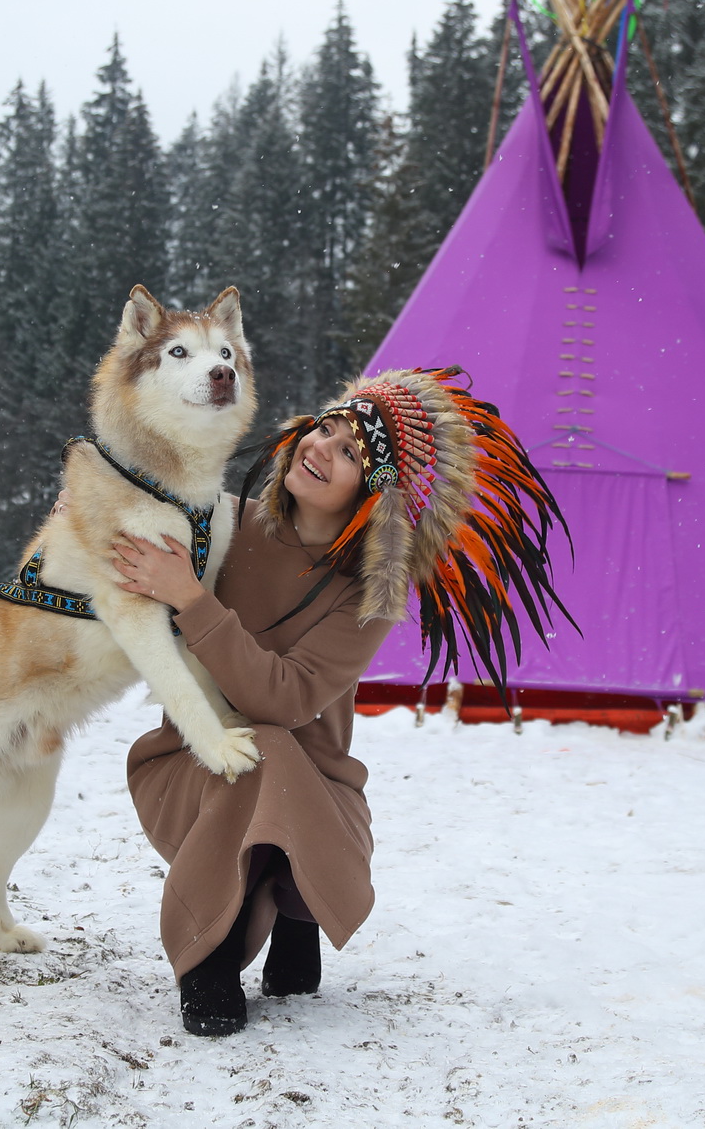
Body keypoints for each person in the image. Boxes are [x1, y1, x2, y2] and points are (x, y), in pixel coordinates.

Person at [110, 367, 569, 1036]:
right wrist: (93, 510)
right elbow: (137, 513)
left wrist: (193, 601)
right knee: (253, 751)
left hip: (315, 787)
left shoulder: (370, 595)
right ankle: (209, 953)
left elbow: (287, 698)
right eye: (325, 427)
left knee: (268, 742)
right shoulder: (226, 522)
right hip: (191, 766)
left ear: (375, 491)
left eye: (349, 450)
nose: (319, 446)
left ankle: (295, 903)